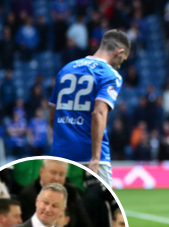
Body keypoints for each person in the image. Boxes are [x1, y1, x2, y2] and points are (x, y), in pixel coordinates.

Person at [49, 30, 130, 185]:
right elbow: (98, 113)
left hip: (60, 156)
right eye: (122, 59)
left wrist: (67, 140)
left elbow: (53, 117)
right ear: (119, 52)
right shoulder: (109, 75)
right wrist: (95, 158)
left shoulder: (66, 69)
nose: (120, 65)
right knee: (102, 207)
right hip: (88, 156)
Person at [18, 159, 96, 227]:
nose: (57, 178)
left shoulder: (71, 192)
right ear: (41, 171)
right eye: (53, 173)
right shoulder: (28, 194)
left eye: (61, 174)